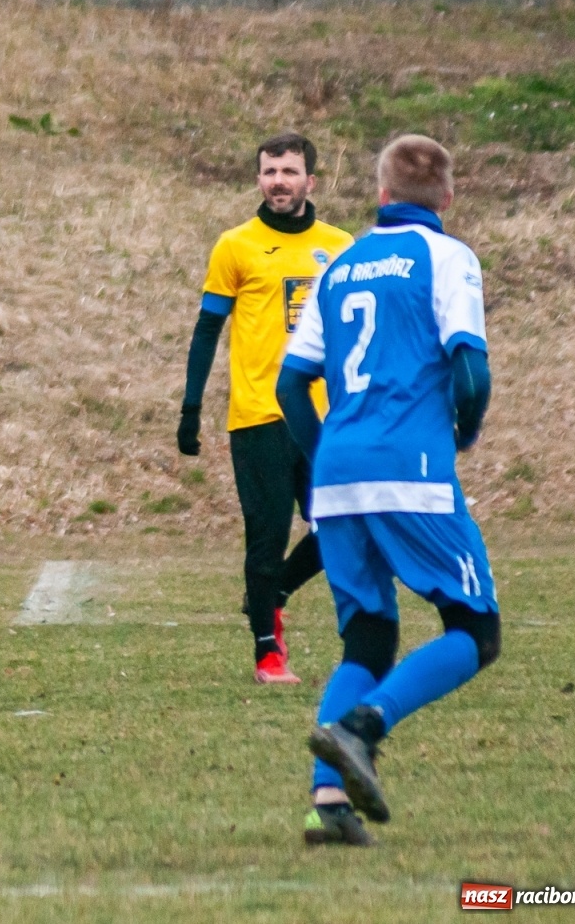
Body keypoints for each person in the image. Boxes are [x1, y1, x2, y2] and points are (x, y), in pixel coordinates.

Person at [277, 134, 499, 847]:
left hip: (339, 470)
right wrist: (461, 435)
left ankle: (329, 806)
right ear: (448, 197)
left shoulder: (337, 264)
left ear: (378, 195)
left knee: (366, 637)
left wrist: (327, 463)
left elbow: (289, 383)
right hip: (411, 467)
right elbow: (471, 373)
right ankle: (364, 727)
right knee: (475, 628)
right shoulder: (448, 257)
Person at [178, 133, 354, 684]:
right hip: (258, 414)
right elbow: (209, 328)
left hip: (326, 418)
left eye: (289, 171)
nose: (278, 180)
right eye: (269, 171)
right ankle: (267, 653)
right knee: (267, 533)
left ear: (311, 181)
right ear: (258, 179)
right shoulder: (236, 245)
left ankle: (273, 591)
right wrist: (190, 407)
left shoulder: (342, 245)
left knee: (344, 524)